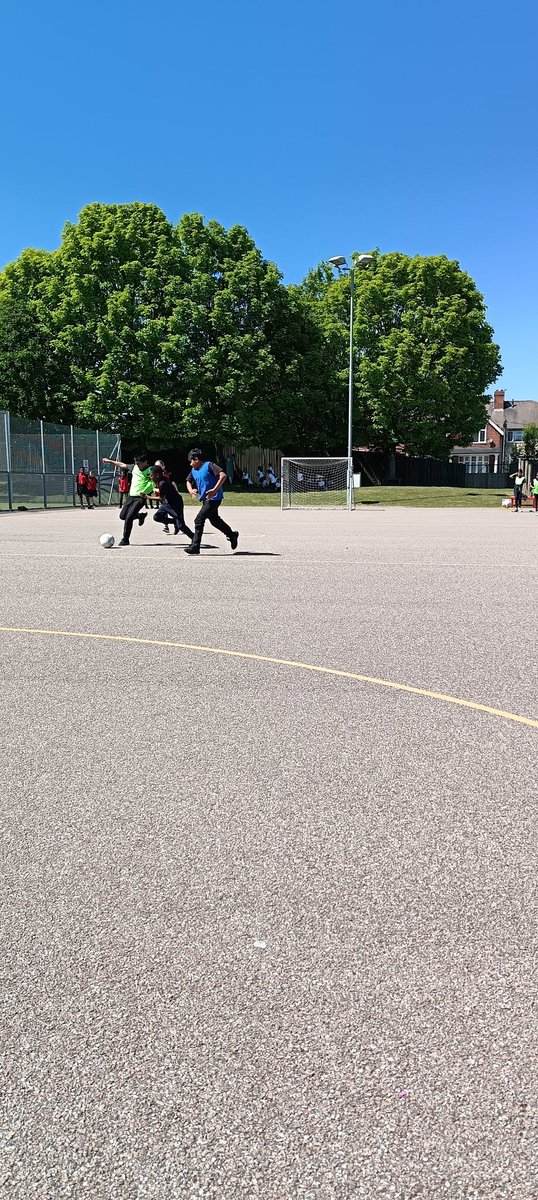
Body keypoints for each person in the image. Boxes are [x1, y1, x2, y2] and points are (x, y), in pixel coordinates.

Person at [184, 448, 239, 556]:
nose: (190, 464)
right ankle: (232, 535)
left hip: (215, 498)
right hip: (206, 500)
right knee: (214, 520)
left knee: (199, 520)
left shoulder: (209, 465)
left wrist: (214, 490)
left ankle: (195, 546)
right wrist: (191, 490)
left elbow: (223, 475)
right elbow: (188, 481)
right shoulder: (194, 470)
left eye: (191, 461)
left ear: (196, 459)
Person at [101, 453, 154, 545]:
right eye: (136, 463)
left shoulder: (151, 471)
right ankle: (140, 516)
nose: (137, 465)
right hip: (131, 496)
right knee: (123, 516)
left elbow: (153, 483)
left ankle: (125, 539)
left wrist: (145, 492)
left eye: (139, 463)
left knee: (129, 518)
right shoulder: (135, 467)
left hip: (140, 497)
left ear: (145, 462)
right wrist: (110, 461)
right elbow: (122, 465)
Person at [150, 465, 194, 541]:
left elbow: (161, 498)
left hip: (176, 504)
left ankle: (195, 539)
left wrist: (147, 497)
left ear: (157, 475)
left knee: (181, 526)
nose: (150, 477)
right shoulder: (161, 479)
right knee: (157, 517)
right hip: (167, 503)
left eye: (151, 475)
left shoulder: (162, 483)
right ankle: (174, 522)